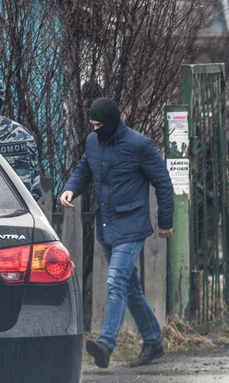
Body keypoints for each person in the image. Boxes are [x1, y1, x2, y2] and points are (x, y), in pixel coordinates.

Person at [60, 97, 174, 369]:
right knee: (130, 288)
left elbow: (164, 184)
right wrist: (71, 188)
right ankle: (153, 342)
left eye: (99, 125)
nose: (95, 129)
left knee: (115, 282)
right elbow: (84, 168)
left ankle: (106, 343)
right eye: (92, 125)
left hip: (132, 225)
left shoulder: (140, 145)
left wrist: (165, 221)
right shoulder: (92, 141)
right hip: (107, 224)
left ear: (110, 123)